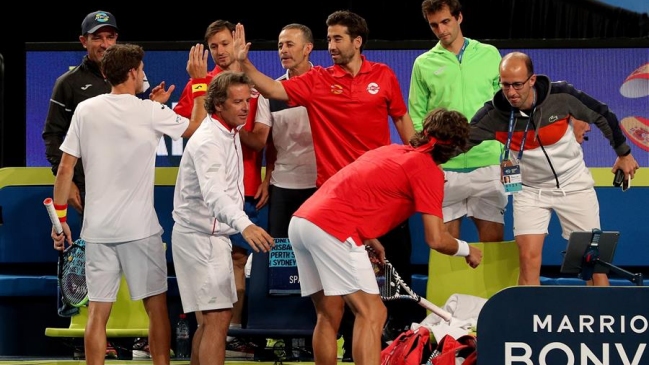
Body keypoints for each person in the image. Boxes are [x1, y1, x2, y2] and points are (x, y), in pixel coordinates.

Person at [232, 11, 417, 358]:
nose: (331, 45)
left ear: (357, 42)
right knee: (341, 309)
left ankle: (400, 346)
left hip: (380, 199)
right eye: (328, 39)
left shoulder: (385, 76)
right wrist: (245, 63)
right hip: (336, 207)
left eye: (338, 39)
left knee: (385, 292)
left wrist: (415, 164)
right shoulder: (318, 82)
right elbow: (272, 88)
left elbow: (403, 123)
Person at [288, 108, 483, 365]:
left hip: (302, 223)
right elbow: (436, 239)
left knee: (328, 313)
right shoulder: (428, 171)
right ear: (456, 149)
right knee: (372, 313)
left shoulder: (389, 150)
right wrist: (467, 249)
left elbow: (354, 192)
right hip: (333, 229)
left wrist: (369, 237)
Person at [50, 43, 205, 365]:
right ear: (133, 72)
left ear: (107, 73)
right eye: (142, 68)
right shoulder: (149, 112)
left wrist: (61, 219)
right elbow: (197, 128)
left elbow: (65, 168)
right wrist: (200, 84)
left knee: (97, 311)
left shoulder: (87, 110)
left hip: (97, 231)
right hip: (140, 231)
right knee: (156, 307)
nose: (144, 73)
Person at [468, 51, 640, 286]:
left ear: (531, 79)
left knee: (593, 263)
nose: (510, 92)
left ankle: (600, 317)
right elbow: (459, 140)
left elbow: (602, 113)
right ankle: (529, 320)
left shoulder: (561, 96)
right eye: (505, 84)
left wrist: (624, 153)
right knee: (528, 259)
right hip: (529, 191)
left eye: (517, 85)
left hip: (573, 184)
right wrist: (424, 157)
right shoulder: (493, 114)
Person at [173, 19, 263, 358]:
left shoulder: (229, 130)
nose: (245, 107)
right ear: (218, 105)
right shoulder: (210, 139)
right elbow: (213, 193)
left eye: (247, 100)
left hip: (211, 238)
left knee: (211, 320)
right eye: (237, 101)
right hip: (201, 239)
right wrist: (246, 224)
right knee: (217, 318)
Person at [409, 0, 505, 242]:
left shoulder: (489, 54)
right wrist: (429, 159)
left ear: (459, 17)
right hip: (444, 167)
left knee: (492, 243)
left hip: (487, 162)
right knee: (446, 246)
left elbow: (504, 109)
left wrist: (505, 153)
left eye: (445, 22)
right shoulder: (423, 63)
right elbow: (417, 115)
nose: (441, 30)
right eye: (434, 25)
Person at [240, 23, 317, 254]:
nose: (283, 50)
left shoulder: (325, 84)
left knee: (319, 253)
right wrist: (231, 125)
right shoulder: (270, 92)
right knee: (282, 260)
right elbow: (263, 141)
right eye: (280, 45)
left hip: (321, 185)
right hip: (283, 186)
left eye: (290, 44)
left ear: (307, 48)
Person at [42, 10, 119, 218]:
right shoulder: (68, 83)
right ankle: (80, 251)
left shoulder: (131, 77)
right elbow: (52, 135)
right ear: (84, 41)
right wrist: (68, 182)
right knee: (92, 246)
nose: (105, 44)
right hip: (89, 187)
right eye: (97, 38)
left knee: (130, 247)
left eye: (110, 37)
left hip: (127, 185)